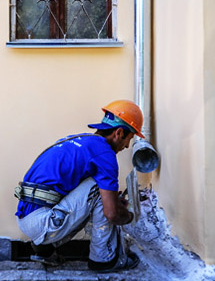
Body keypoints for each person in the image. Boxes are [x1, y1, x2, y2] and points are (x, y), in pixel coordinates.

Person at [14, 100, 144, 272]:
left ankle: (45, 249)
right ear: (119, 132)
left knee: (102, 194)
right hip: (43, 223)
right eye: (129, 139)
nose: (127, 146)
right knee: (99, 188)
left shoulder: (80, 141)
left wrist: (111, 199)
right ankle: (103, 260)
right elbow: (111, 214)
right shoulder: (105, 154)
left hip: (26, 218)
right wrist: (129, 216)